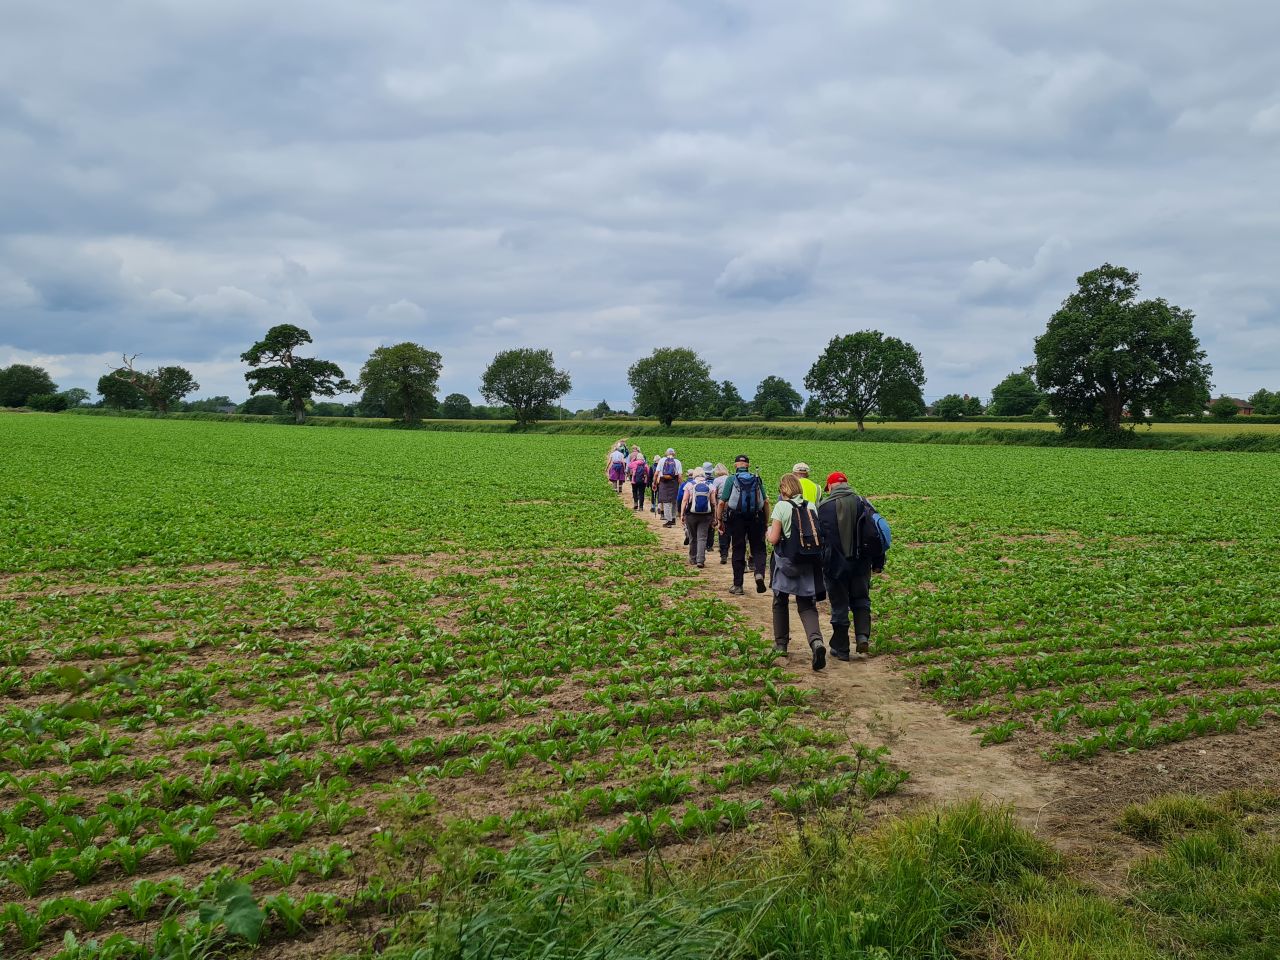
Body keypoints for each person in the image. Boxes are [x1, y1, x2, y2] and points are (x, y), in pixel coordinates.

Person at [766, 473, 826, 670]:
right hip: (808, 561)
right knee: (807, 604)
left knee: (780, 601)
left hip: (786, 562)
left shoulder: (781, 507)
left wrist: (768, 533)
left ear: (784, 489)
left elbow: (774, 539)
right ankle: (816, 641)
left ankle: (781, 645)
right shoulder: (810, 505)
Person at [817, 472, 876, 660]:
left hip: (835, 565)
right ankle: (862, 636)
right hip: (861, 563)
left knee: (839, 605)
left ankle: (841, 649)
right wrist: (878, 562)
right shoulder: (863, 503)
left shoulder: (824, 507)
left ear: (831, 487)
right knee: (861, 600)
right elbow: (875, 534)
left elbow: (819, 539)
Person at [717, 454, 768, 595]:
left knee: (738, 549)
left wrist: (719, 520)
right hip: (755, 518)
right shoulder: (756, 479)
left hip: (737, 519)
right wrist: (765, 522)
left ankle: (738, 585)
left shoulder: (731, 479)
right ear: (748, 465)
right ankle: (759, 573)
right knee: (758, 548)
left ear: (735, 465)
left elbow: (722, 502)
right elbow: (766, 502)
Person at [680, 468, 717, 567]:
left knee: (693, 537)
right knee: (702, 537)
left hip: (691, 515)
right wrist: (715, 516)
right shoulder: (710, 485)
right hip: (706, 515)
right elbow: (713, 503)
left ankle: (693, 558)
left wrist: (682, 514)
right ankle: (700, 560)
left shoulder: (689, 485)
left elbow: (684, 500)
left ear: (694, 475)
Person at [654, 448, 683, 526]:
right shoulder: (678, 462)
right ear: (674, 454)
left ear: (666, 454)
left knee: (666, 501)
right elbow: (680, 476)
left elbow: (656, 473)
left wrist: (654, 483)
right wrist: (681, 486)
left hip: (664, 482)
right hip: (674, 483)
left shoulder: (661, 461)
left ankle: (668, 520)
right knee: (674, 501)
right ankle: (673, 518)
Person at [710, 464, 731, 564]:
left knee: (722, 528)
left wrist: (715, 513)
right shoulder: (731, 479)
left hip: (721, 506)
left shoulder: (716, 480)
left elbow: (714, 495)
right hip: (733, 507)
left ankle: (724, 554)